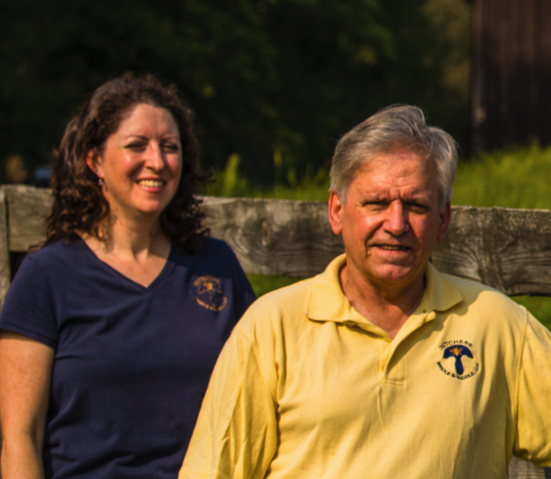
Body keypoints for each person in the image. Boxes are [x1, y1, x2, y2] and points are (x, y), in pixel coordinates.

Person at [179, 105, 551, 479]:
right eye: (376, 203)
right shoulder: (271, 329)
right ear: (336, 210)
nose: (396, 223)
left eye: (417, 205)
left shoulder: (498, 325)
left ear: (444, 219)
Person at [0, 74, 256, 479]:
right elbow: (19, 437)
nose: (156, 160)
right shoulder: (46, 276)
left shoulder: (217, 266)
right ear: (94, 160)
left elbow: (260, 404)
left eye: (170, 147)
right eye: (137, 145)